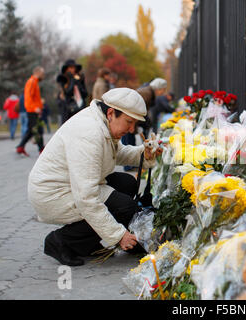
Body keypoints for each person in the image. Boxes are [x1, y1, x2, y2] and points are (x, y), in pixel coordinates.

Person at [27, 88, 162, 266]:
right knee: (124, 207)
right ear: (112, 113)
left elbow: (118, 153)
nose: (131, 129)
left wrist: (144, 154)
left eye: (134, 124)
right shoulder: (89, 134)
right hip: (52, 194)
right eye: (129, 122)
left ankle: (86, 244)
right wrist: (118, 235)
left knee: (127, 184)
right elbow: (86, 199)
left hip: (72, 184)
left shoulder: (102, 121)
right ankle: (61, 240)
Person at [16, 67, 45, 156]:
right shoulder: (32, 82)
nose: (43, 75)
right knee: (36, 130)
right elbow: (28, 97)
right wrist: (34, 108)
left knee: (31, 130)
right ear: (38, 72)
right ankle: (41, 149)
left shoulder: (35, 82)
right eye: (42, 73)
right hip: (32, 111)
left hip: (34, 110)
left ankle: (20, 147)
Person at [56, 59, 88, 124]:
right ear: (66, 69)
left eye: (74, 68)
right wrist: (72, 80)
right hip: (68, 110)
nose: (73, 69)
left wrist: (79, 83)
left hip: (80, 108)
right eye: (71, 67)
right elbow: (68, 93)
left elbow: (85, 94)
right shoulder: (63, 79)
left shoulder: (79, 78)